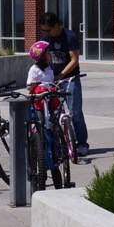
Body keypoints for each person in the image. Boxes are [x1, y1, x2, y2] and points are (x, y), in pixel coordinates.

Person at [39, 12, 89, 156]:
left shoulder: (69, 36)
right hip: (52, 81)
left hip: (69, 80)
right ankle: (58, 144)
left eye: (48, 30)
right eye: (44, 31)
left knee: (75, 113)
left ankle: (82, 143)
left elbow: (74, 60)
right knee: (53, 114)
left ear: (57, 25)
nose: (46, 33)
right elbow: (42, 57)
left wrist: (61, 76)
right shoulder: (46, 38)